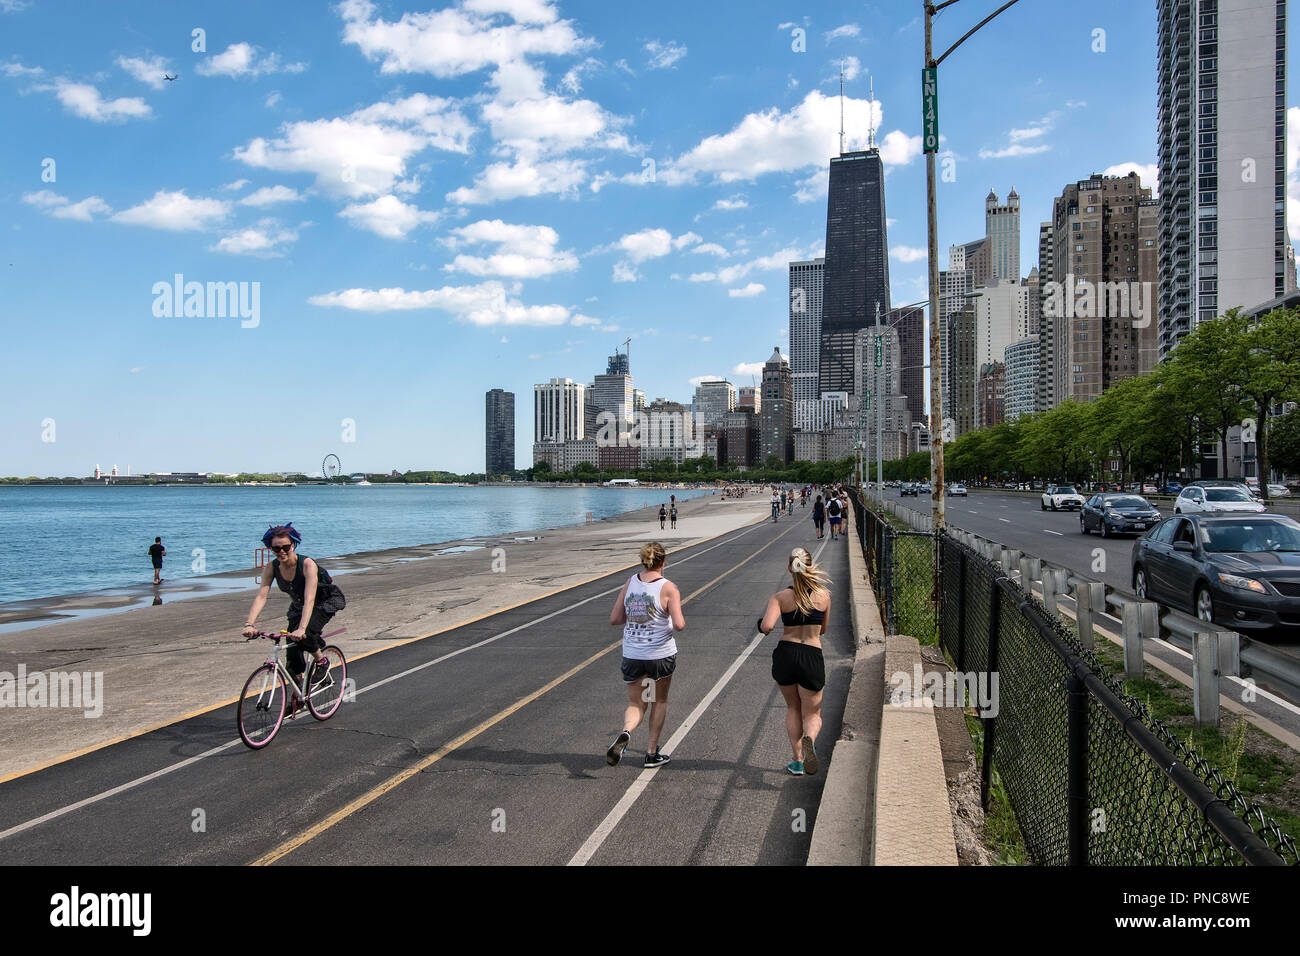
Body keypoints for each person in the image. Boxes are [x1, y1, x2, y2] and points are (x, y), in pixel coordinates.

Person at [241, 524, 347, 716]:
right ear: (270, 548)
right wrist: (250, 624)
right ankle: (298, 695)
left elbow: (311, 598)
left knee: (304, 633)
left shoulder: (307, 564)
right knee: (291, 654)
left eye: (286, 547)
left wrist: (302, 628)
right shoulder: (272, 567)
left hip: (324, 599)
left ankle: (321, 661)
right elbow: (262, 596)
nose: (281, 552)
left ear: (294, 545)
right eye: (276, 548)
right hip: (300, 604)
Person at [606, 542, 685, 768]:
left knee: (637, 703)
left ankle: (626, 731)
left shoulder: (630, 582)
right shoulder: (668, 587)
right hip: (659, 655)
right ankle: (651, 753)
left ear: (643, 561)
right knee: (658, 700)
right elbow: (679, 624)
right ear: (663, 562)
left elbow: (615, 619)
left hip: (633, 654)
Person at [758, 548, 831, 775]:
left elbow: (767, 627)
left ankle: (798, 760)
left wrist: (761, 623)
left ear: (790, 568)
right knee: (812, 713)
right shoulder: (823, 596)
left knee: (792, 707)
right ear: (809, 567)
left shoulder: (781, 597)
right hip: (811, 653)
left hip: (786, 653)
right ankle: (809, 739)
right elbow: (823, 630)